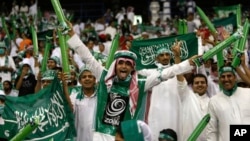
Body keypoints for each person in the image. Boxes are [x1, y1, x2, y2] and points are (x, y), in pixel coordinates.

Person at [66, 21, 199, 140]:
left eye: (128, 64)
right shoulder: (104, 77)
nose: (124, 66)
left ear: (132, 67)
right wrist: (72, 34)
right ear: (115, 65)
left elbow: (165, 74)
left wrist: (187, 64)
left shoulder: (140, 84)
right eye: (121, 63)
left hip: (124, 137)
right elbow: (87, 57)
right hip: (101, 136)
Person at [138, 41, 194, 141]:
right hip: (156, 111)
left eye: (167, 54)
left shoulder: (175, 71)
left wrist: (177, 56)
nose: (165, 57)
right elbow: (136, 68)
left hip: (174, 110)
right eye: (162, 55)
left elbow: (179, 69)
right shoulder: (151, 73)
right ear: (157, 58)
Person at [207, 65, 250, 141]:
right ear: (219, 79)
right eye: (223, 77)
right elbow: (212, 130)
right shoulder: (214, 101)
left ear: (235, 78)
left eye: (229, 76)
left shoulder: (248, 94)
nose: (226, 79)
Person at [67, 67, 97, 141]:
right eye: (84, 77)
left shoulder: (101, 97)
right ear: (80, 81)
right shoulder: (74, 97)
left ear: (95, 80)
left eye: (90, 76)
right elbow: (69, 110)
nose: (87, 79)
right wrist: (65, 86)